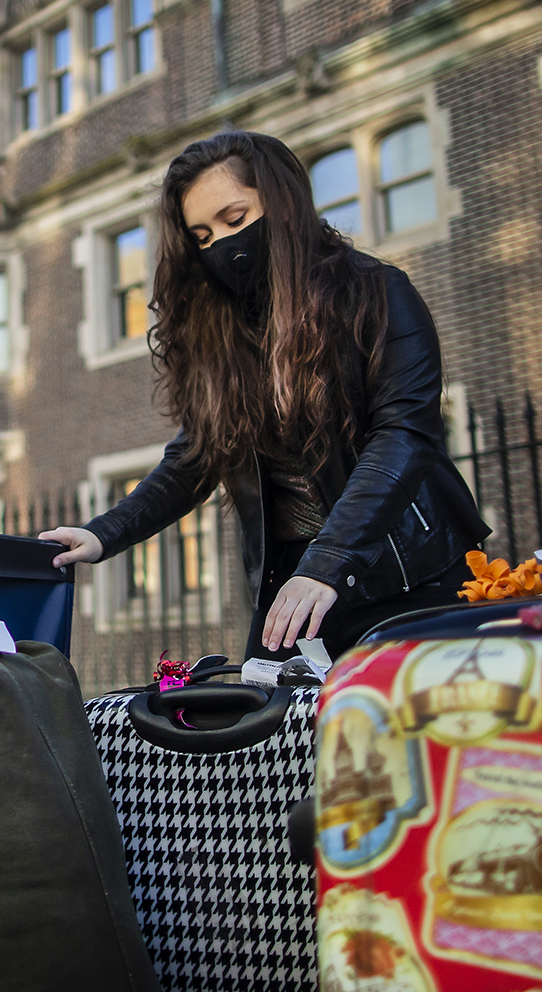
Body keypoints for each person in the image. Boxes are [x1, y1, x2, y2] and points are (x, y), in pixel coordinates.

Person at [41, 131, 490, 659]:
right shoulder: (225, 336)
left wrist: (329, 562)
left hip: (407, 571)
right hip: (290, 580)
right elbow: (194, 459)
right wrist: (103, 533)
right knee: (280, 735)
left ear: (284, 205)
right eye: (202, 237)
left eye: (235, 220)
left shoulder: (380, 294)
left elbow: (403, 436)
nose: (221, 247)